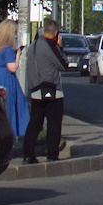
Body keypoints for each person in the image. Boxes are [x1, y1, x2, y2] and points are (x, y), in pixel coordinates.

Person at [22, 19, 69, 164]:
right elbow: (63, 64)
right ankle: (52, 153)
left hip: (36, 90)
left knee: (35, 122)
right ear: (56, 33)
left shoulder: (33, 45)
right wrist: (61, 47)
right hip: (52, 90)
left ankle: (28, 153)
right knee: (54, 123)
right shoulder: (51, 46)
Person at [0, 20, 30, 138]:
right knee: (9, 109)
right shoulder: (7, 47)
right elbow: (12, 68)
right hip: (6, 79)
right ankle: (9, 137)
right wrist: (18, 56)